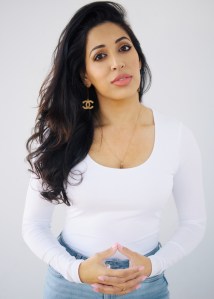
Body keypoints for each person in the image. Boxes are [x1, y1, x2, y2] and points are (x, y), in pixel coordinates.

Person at [22, 1, 206, 298]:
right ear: (85, 75)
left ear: (138, 56)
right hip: (71, 284)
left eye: (124, 48)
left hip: (144, 285)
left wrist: (152, 266)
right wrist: (77, 270)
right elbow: (33, 224)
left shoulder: (177, 136)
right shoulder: (62, 134)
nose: (117, 63)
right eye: (100, 56)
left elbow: (194, 223)